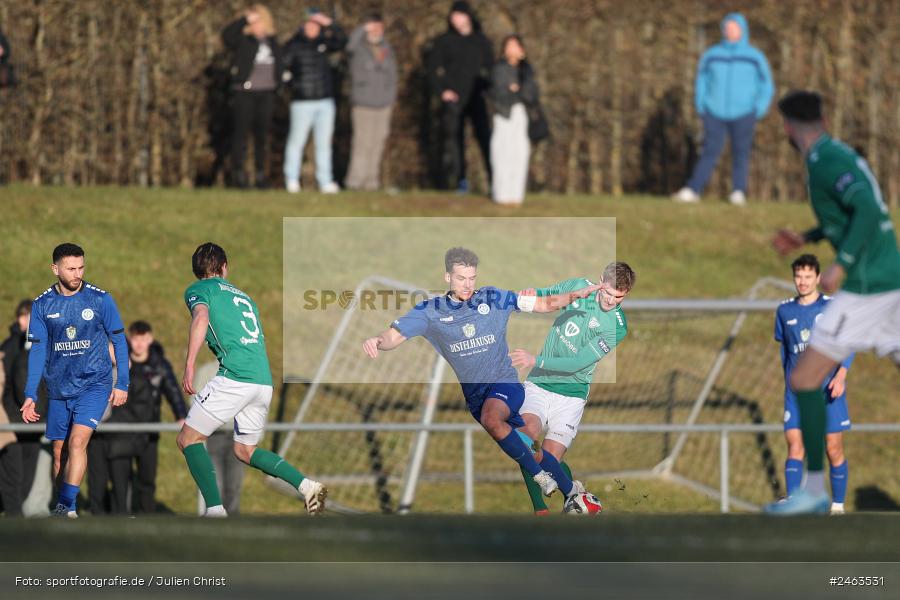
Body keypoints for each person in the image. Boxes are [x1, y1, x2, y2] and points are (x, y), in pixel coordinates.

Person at [362, 247, 603, 500]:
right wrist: (377, 340)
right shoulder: (430, 312)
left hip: (505, 385)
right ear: (448, 277)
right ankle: (574, 493)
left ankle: (539, 477)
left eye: (471, 278)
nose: (467, 285)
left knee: (492, 417)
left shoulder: (493, 298)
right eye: (460, 278)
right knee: (533, 451)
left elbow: (543, 304)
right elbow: (394, 336)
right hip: (475, 397)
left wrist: (574, 295)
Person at [768, 90, 900, 514]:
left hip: (866, 288)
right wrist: (808, 237)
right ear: (822, 117)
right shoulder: (833, 153)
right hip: (886, 278)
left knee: (804, 380)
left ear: (787, 126)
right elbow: (852, 213)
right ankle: (811, 491)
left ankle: (811, 491)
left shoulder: (825, 162)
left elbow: (864, 209)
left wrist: (840, 265)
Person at [176, 242, 326, 516]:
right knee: (245, 450)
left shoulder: (198, 289)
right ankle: (306, 485)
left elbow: (201, 317)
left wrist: (189, 364)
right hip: (262, 380)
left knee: (188, 439)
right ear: (224, 267)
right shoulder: (246, 298)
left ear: (197, 269)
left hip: (235, 376)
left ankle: (214, 510)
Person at [510, 262, 635, 514]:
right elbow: (548, 296)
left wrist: (537, 360)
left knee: (549, 462)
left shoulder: (617, 326)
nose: (610, 301)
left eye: (618, 297)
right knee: (525, 439)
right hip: (539, 385)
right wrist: (531, 294)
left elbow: (578, 364)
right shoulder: (578, 287)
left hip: (572, 395)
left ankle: (571, 494)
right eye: (607, 293)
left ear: (626, 294)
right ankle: (541, 509)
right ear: (600, 280)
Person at [20, 244, 130, 517]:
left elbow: (119, 339)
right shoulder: (42, 305)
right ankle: (67, 507)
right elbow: (38, 350)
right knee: (60, 453)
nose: (77, 273)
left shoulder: (100, 299)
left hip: (95, 382)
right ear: (55, 269)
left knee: (78, 442)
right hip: (59, 388)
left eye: (81, 267)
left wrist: (122, 383)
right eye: (71, 268)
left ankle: (63, 508)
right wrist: (30, 393)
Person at [775, 255, 853, 515]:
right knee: (795, 445)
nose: (803, 282)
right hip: (797, 393)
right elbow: (785, 351)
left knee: (833, 448)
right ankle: (793, 499)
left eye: (808, 277)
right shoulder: (784, 311)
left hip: (828, 390)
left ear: (818, 278)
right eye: (798, 276)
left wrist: (841, 375)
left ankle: (838, 505)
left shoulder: (831, 307)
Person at [673, 12, 774, 206]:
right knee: (709, 150)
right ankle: (693, 190)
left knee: (741, 152)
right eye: (727, 28)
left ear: (743, 30)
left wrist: (759, 108)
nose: (730, 31)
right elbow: (701, 81)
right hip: (714, 111)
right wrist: (701, 104)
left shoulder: (754, 57)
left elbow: (766, 84)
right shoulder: (712, 55)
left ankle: (738, 191)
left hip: (745, 112)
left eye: (734, 28)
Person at [94, 321, 188, 514]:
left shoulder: (159, 364)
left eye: (143, 339)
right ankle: (120, 515)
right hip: (122, 430)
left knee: (147, 478)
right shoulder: (121, 361)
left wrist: (181, 415)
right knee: (120, 478)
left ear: (150, 339)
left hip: (148, 431)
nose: (139, 344)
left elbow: (172, 390)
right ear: (130, 339)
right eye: (136, 339)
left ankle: (147, 516)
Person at [426, 1, 493, 193]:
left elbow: (491, 69)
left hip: (477, 97)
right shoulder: (444, 41)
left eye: (459, 15)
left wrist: (489, 89)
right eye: (453, 16)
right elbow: (432, 70)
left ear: (468, 17)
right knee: (455, 141)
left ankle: (494, 179)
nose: (456, 20)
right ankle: (459, 181)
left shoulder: (482, 41)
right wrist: (442, 91)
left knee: (485, 139)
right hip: (454, 100)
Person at [282, 8, 346, 194]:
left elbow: (343, 41)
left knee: (324, 144)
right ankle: (292, 180)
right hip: (302, 102)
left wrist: (330, 23)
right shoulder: (293, 46)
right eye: (310, 24)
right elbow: (282, 69)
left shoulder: (325, 44)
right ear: (303, 26)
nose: (313, 29)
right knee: (297, 142)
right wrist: (293, 87)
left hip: (325, 101)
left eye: (316, 25)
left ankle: (325, 181)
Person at [221, 5, 282, 189]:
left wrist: (279, 83)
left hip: (267, 93)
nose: (256, 26)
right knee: (241, 134)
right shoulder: (243, 40)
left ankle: (261, 175)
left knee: (262, 136)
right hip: (245, 92)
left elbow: (280, 64)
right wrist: (243, 20)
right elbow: (226, 37)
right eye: (253, 22)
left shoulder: (273, 42)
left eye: (259, 21)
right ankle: (238, 175)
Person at [344, 13, 398, 192]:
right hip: (363, 102)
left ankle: (371, 181)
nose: (376, 31)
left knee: (378, 143)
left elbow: (393, 76)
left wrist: (390, 98)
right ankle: (355, 181)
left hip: (383, 104)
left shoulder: (387, 49)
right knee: (362, 142)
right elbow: (349, 45)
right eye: (373, 27)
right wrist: (362, 29)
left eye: (379, 27)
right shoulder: (358, 47)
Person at [489, 34, 538, 206]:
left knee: (520, 153)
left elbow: (531, 93)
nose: (512, 49)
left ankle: (516, 195)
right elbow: (498, 92)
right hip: (504, 114)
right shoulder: (498, 69)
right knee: (503, 153)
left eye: (515, 46)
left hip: (521, 115)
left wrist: (516, 89)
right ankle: (501, 194)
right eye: (509, 46)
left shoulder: (527, 70)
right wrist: (514, 90)